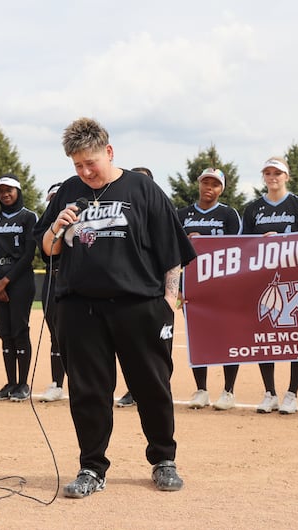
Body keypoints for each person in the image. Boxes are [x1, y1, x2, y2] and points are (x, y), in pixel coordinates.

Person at [34, 117, 196, 498]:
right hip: (80, 307)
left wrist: (169, 301)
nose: (85, 171)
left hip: (139, 305)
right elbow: (47, 249)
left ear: (109, 152)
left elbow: (173, 251)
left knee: (151, 386)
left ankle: (163, 460)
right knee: (88, 390)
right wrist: (56, 225)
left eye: (91, 162)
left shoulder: (142, 189)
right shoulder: (68, 192)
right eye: (77, 165)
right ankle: (92, 467)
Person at [242, 157, 298, 415]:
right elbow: (244, 246)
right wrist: (260, 241)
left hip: (295, 277)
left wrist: (286, 240)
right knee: (265, 333)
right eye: (268, 172)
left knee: (297, 335)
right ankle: (270, 393)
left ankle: (292, 393)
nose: (273, 177)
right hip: (264, 278)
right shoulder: (253, 208)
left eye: (278, 173)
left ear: (287, 176)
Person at [179, 167, 242, 410]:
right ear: (199, 184)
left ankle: (228, 391)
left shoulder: (229, 214)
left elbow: (237, 247)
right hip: (192, 287)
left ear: (222, 189)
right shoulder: (182, 214)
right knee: (198, 338)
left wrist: (203, 239)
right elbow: (174, 248)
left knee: (227, 337)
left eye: (215, 184)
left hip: (222, 286)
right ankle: (201, 390)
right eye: (205, 182)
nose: (209, 188)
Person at [0, 174, 38, 402]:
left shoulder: (28, 217)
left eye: (10, 190)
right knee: (4, 332)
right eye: (1, 191)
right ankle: (10, 382)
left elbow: (29, 255)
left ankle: (23, 384)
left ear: (18, 191)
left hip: (20, 279)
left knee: (19, 329)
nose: (5, 195)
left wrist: (5, 282)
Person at [114, 165, 154, 409]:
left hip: (152, 293)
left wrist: (168, 298)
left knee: (152, 350)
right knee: (129, 348)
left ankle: (152, 390)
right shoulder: (124, 214)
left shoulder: (158, 211)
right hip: (128, 294)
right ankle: (132, 390)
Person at [39, 181, 68, 403]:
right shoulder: (46, 225)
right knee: (55, 335)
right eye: (52, 200)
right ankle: (57, 383)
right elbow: (43, 250)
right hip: (52, 278)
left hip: (74, 279)